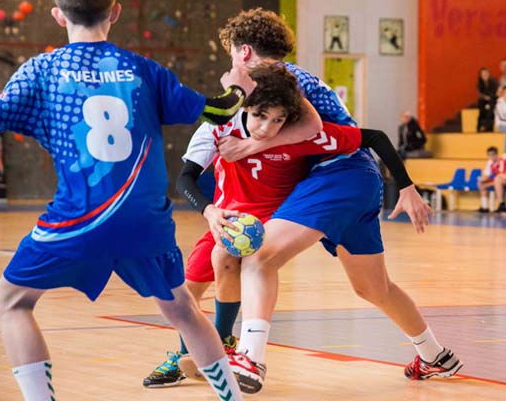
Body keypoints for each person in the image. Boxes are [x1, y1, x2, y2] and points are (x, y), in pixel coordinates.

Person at [0, 0, 277, 400]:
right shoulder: (143, 70)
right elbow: (216, 111)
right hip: (145, 222)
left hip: (77, 220)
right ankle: (231, 396)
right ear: (115, 12)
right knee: (181, 309)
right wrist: (238, 87)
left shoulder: (41, 72)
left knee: (11, 301)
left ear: (58, 15)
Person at [215, 9, 461, 393]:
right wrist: (405, 184)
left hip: (337, 176)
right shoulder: (293, 77)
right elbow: (353, 134)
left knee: (260, 256)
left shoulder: (277, 80)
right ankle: (434, 355)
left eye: (232, 54)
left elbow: (311, 129)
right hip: (361, 177)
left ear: (243, 51)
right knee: (373, 287)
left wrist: (249, 143)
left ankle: (250, 356)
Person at [146, 64, 419, 388]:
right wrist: (209, 211)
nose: (267, 128)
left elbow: (373, 137)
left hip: (273, 222)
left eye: (277, 120)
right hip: (227, 217)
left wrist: (406, 185)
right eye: (261, 117)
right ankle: (184, 355)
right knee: (186, 289)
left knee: (224, 259)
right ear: (245, 107)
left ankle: (224, 346)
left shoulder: (300, 136)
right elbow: (184, 179)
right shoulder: (219, 128)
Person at [477, 146, 502, 213]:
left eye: (492, 155)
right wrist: (482, 179)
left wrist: (488, 183)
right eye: (489, 155)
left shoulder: (501, 162)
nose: (491, 157)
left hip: (501, 181)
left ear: (496, 154)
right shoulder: (490, 162)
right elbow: (487, 174)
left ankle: (501, 205)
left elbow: (501, 176)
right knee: (481, 183)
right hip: (494, 180)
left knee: (496, 181)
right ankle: (484, 207)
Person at [476, 67, 499, 132]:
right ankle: (479, 126)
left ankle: (487, 126)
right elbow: (480, 94)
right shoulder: (480, 84)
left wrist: (490, 97)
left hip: (494, 99)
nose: (484, 75)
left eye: (486, 73)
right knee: (481, 104)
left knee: (490, 107)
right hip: (485, 100)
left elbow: (497, 93)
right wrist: (485, 97)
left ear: (488, 74)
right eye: (483, 74)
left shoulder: (494, 82)